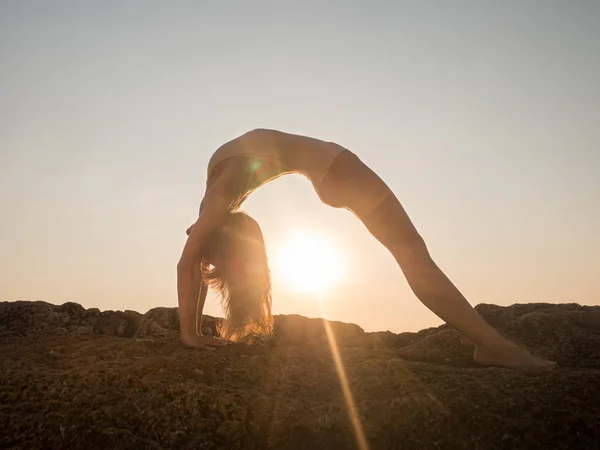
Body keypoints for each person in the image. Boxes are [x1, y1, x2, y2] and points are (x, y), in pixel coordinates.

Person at [177, 128, 556, 368]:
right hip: (335, 167)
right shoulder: (216, 203)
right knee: (414, 253)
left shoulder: (214, 205)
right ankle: (491, 345)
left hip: (329, 171)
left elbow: (190, 261)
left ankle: (473, 332)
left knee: (412, 253)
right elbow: (189, 262)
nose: (210, 267)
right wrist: (189, 334)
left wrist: (190, 333)